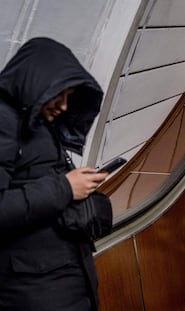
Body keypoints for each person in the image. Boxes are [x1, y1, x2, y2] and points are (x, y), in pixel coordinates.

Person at [0, 37, 108, 310]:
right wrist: (65, 188)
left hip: (58, 278)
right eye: (59, 94)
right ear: (36, 82)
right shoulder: (3, 121)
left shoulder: (35, 124)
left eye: (69, 97)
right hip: (34, 289)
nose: (63, 106)